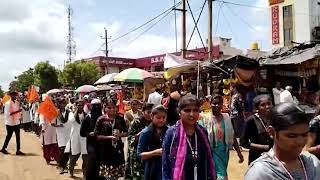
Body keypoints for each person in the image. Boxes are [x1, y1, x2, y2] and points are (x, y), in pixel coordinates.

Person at [245, 103, 320, 180]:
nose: (300, 142)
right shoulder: (260, 172)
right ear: (272, 132)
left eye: (304, 135)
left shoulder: (313, 164)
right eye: (292, 136)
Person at [162, 95, 216, 180]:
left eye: (195, 110)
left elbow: (208, 161)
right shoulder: (171, 134)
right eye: (187, 110)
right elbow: (165, 165)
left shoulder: (202, 133)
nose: (192, 114)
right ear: (179, 112)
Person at [199, 94, 244, 180]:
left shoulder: (226, 117)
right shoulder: (205, 118)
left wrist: (239, 153)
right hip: (211, 151)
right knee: (221, 175)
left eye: (219, 103)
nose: (216, 105)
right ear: (210, 103)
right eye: (214, 103)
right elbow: (201, 137)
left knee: (219, 173)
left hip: (224, 151)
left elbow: (232, 135)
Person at [94, 98, 128, 179]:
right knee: (107, 175)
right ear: (105, 108)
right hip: (106, 150)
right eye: (109, 107)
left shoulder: (120, 118)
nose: (112, 109)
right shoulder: (101, 119)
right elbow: (96, 136)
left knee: (116, 174)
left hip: (118, 149)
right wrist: (109, 137)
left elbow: (127, 132)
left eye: (113, 107)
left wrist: (119, 135)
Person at [137, 105, 168, 180]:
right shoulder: (146, 133)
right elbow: (140, 155)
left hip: (166, 168)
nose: (161, 120)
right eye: (158, 118)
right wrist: (155, 152)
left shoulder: (169, 131)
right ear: (151, 117)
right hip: (152, 169)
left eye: (164, 117)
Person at [240, 95, 274, 165]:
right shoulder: (251, 121)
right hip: (257, 158)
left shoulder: (274, 119)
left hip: (273, 158)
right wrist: (264, 147)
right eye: (263, 105)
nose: (267, 106)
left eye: (269, 103)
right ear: (257, 108)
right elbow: (243, 142)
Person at [125, 103, 153, 180]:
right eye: (148, 112)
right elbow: (130, 138)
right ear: (143, 112)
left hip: (150, 153)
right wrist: (140, 135)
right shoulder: (136, 122)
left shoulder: (154, 123)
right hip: (137, 153)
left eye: (152, 112)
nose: (150, 114)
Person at [80, 98, 103, 180]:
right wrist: (89, 134)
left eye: (98, 106)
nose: (96, 108)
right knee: (92, 162)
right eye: (94, 106)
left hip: (102, 144)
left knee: (100, 164)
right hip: (91, 144)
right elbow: (82, 132)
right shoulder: (87, 118)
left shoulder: (104, 117)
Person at [64, 100, 88, 178]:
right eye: (78, 105)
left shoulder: (86, 115)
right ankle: (71, 170)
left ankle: (84, 174)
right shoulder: (72, 114)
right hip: (75, 137)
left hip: (84, 138)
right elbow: (71, 120)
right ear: (76, 106)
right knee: (74, 156)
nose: (80, 107)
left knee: (85, 157)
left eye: (81, 105)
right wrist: (76, 112)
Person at [52, 98, 72, 174]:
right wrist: (58, 125)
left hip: (68, 133)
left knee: (67, 150)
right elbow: (52, 123)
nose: (62, 105)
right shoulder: (56, 113)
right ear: (59, 104)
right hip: (60, 133)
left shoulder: (69, 112)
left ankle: (64, 165)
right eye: (61, 103)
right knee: (62, 149)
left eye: (64, 103)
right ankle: (61, 166)